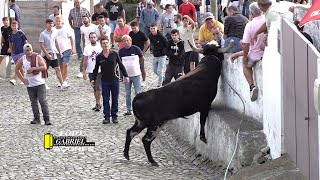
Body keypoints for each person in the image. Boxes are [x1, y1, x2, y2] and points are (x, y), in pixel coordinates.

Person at [229, 2, 265, 102]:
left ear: (251, 13)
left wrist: (244, 58)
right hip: (264, 52)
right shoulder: (266, 20)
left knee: (245, 66)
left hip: (255, 55)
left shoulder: (250, 25)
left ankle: (252, 86)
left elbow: (246, 46)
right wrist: (237, 54)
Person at [91, 38, 129, 124]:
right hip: (105, 81)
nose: (105, 44)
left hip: (115, 80)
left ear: (109, 44)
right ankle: (107, 117)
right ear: (101, 45)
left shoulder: (114, 54)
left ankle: (114, 116)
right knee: (105, 99)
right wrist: (93, 79)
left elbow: (121, 65)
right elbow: (96, 69)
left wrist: (126, 75)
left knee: (115, 99)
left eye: (107, 43)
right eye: (103, 43)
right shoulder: (99, 57)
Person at [15, 43, 51, 125]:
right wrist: (23, 79)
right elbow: (16, 69)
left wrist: (33, 68)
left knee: (42, 101)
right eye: (27, 50)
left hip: (40, 83)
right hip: (30, 85)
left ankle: (47, 119)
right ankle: (36, 119)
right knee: (33, 102)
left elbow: (44, 67)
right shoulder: (22, 59)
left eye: (30, 50)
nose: (29, 52)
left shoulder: (37, 57)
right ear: (24, 51)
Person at [119, 35, 144, 115]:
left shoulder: (136, 49)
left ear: (131, 41)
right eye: (125, 41)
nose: (126, 42)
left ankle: (140, 109)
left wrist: (137, 66)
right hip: (126, 75)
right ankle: (129, 110)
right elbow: (119, 62)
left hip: (136, 74)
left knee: (138, 92)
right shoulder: (121, 51)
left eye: (128, 40)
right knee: (127, 93)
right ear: (122, 42)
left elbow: (142, 58)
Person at [39, 19, 65, 89]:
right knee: (45, 70)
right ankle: (43, 83)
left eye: (51, 23)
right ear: (46, 24)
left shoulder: (54, 32)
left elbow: (56, 42)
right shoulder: (43, 34)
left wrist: (59, 52)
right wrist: (46, 54)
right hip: (46, 54)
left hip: (54, 53)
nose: (50, 25)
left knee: (58, 69)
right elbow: (41, 44)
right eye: (48, 23)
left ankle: (62, 83)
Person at [68, 0, 91, 78]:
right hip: (77, 28)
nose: (77, 4)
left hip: (84, 27)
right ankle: (80, 54)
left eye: (78, 2)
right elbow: (69, 19)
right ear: (74, 4)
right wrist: (72, 26)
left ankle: (86, 52)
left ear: (79, 3)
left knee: (86, 40)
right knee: (77, 42)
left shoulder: (84, 9)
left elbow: (89, 17)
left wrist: (89, 25)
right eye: (75, 3)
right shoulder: (72, 11)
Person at [83, 32, 103, 111]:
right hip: (91, 70)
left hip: (99, 70)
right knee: (94, 88)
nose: (93, 39)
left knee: (98, 87)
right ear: (89, 38)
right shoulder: (87, 47)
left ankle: (98, 103)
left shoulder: (100, 47)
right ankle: (97, 102)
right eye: (91, 37)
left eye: (94, 37)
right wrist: (84, 72)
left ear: (96, 38)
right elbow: (85, 60)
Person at [54, 15, 75, 86]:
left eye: (59, 21)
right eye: (56, 21)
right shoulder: (53, 30)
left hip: (66, 48)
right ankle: (61, 80)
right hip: (57, 50)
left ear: (62, 22)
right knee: (60, 66)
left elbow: (71, 38)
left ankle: (64, 80)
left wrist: (73, 47)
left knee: (65, 64)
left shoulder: (66, 29)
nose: (58, 22)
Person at [129, 21, 150, 87]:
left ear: (138, 27)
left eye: (135, 28)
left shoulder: (141, 34)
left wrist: (143, 51)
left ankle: (144, 80)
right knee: (134, 67)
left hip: (140, 52)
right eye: (132, 28)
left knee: (142, 68)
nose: (134, 30)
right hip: (132, 53)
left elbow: (147, 42)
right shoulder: (131, 33)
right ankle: (135, 81)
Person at [8, 21, 27, 85]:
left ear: (17, 26)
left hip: (21, 52)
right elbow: (10, 43)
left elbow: (25, 41)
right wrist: (11, 50)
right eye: (13, 26)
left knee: (17, 66)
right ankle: (23, 79)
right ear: (11, 26)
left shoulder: (21, 33)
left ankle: (14, 79)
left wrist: (27, 49)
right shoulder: (10, 34)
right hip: (15, 53)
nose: (14, 27)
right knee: (20, 67)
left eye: (15, 25)